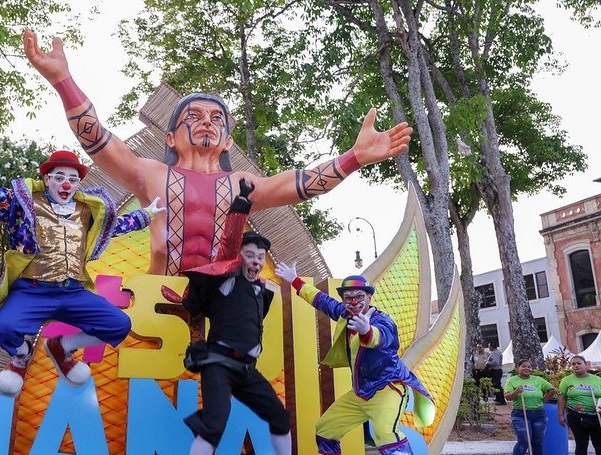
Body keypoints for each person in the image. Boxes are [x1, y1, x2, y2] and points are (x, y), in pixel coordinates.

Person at [21, 29, 412, 276]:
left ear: (227, 141)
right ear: (170, 138)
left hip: (220, 303)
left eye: (216, 119)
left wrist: (354, 157)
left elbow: (302, 184)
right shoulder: (152, 174)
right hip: (160, 299)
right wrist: (63, 81)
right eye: (193, 116)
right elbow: (96, 138)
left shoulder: (241, 184)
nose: (207, 123)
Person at [0, 116, 165, 397]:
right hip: (32, 291)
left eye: (72, 179)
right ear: (47, 179)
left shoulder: (86, 212)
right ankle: (21, 356)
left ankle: (62, 347)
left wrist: (146, 215)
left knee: (119, 324)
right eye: (59, 177)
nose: (66, 184)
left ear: (78, 184)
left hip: (73, 293)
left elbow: (114, 227)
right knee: (4, 327)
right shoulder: (21, 204)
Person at [168, 179, 321, 455]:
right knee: (215, 422)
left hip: (247, 369)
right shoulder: (227, 275)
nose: (254, 261)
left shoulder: (261, 292)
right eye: (249, 255)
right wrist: (241, 203)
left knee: (279, 417)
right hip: (219, 363)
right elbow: (230, 237)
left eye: (260, 257)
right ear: (238, 258)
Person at [274, 264, 443, 455]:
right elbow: (321, 301)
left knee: (386, 434)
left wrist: (366, 331)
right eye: (348, 297)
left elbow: (382, 339)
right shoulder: (345, 314)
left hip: (387, 389)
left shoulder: (383, 320)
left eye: (358, 297)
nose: (353, 302)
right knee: (325, 429)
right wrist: (295, 280)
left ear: (369, 297)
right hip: (361, 393)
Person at [503, 359, 555, 455]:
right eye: (523, 366)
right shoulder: (512, 380)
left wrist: (545, 399)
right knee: (524, 440)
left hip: (539, 414)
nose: (527, 368)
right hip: (520, 414)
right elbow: (508, 397)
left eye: (529, 366)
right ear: (518, 368)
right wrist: (516, 391)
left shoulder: (538, 380)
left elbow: (552, 390)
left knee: (537, 441)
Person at [557, 355, 601, 455]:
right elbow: (562, 398)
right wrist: (561, 415)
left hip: (596, 416)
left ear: (586, 364)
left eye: (578, 363)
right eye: (573, 364)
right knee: (581, 443)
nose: (576, 366)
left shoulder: (597, 380)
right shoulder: (566, 380)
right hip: (576, 416)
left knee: (599, 445)